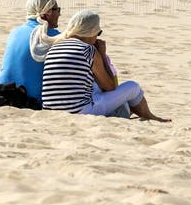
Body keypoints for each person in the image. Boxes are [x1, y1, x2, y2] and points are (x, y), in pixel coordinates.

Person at [42, 10, 170, 121]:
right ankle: (151, 117)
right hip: (80, 110)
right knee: (133, 87)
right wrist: (102, 54)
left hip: (50, 110)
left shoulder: (55, 48)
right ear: (91, 32)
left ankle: (132, 111)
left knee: (95, 87)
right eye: (98, 32)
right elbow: (110, 86)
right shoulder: (88, 50)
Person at [0, 0, 61, 102]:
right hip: (29, 98)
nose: (59, 14)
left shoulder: (15, 32)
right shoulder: (53, 37)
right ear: (47, 13)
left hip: (1, 92)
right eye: (57, 9)